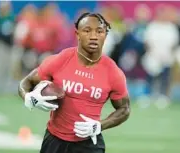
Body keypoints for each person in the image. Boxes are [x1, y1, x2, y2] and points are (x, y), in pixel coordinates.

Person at [18, 12, 130, 153]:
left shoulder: (113, 72)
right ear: (77, 34)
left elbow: (124, 109)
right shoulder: (61, 60)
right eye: (87, 30)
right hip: (54, 141)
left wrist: (100, 126)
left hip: (89, 143)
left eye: (99, 31)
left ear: (105, 35)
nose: (94, 36)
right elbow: (26, 82)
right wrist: (28, 97)